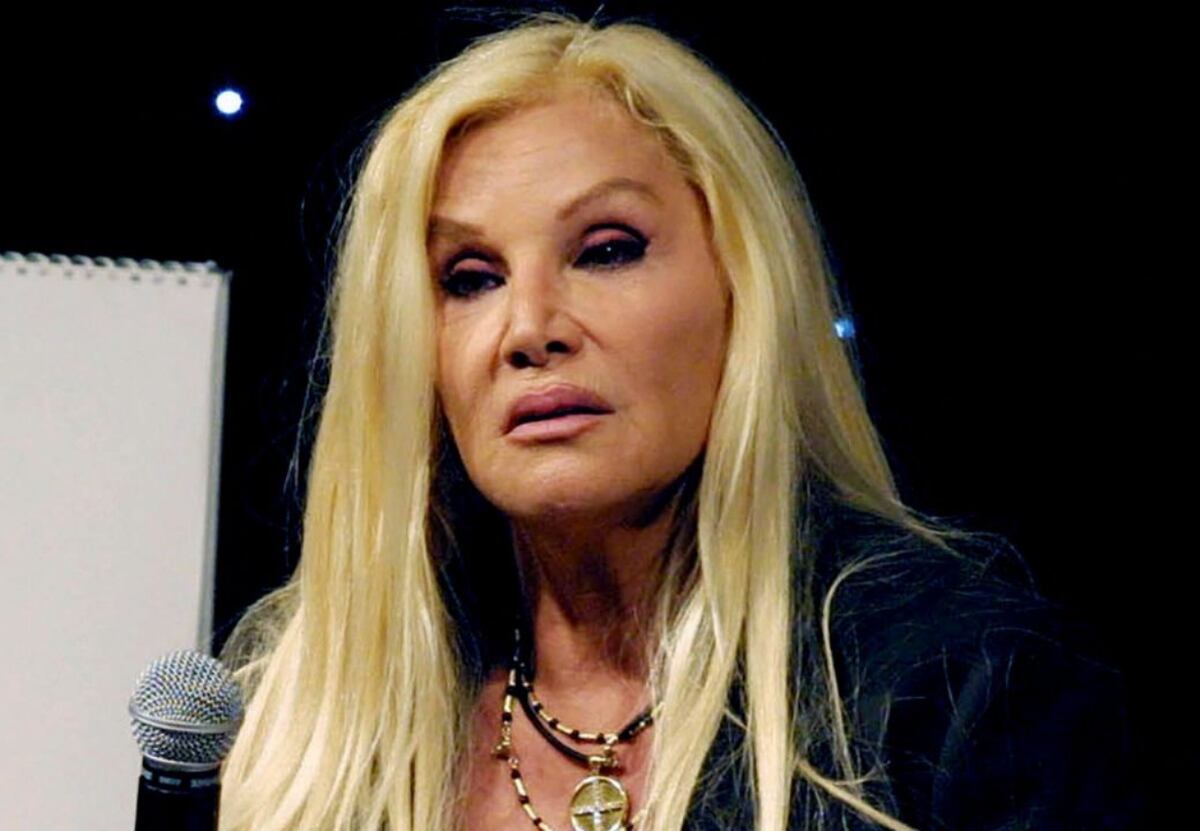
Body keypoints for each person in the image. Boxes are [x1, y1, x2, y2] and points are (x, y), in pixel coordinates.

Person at [218, 14, 1138, 831]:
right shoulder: (296, 712)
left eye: (606, 251)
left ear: (745, 293)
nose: (530, 328)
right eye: (471, 278)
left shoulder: (962, 690)